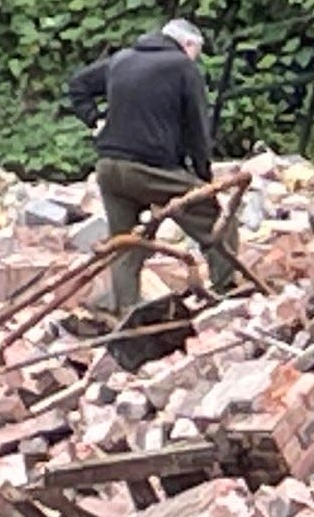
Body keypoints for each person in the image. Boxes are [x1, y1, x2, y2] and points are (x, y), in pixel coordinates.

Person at [69, 18, 238, 319]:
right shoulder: (182, 67)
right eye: (196, 52)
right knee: (213, 218)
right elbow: (198, 128)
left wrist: (95, 120)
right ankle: (228, 288)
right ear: (188, 45)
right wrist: (203, 176)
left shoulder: (121, 60)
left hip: (109, 166)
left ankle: (126, 310)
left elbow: (78, 85)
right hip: (150, 167)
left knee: (125, 242)